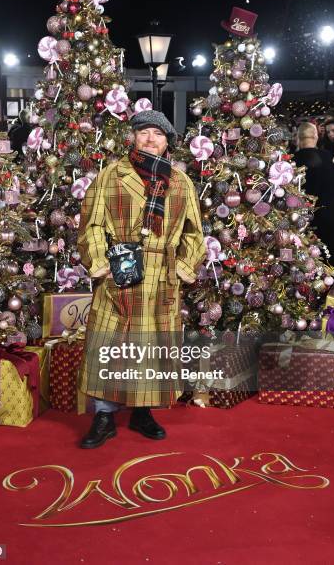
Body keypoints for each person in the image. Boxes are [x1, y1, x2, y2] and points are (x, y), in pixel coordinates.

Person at [77, 110, 205, 449]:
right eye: (144, 132)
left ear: (167, 143)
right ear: (132, 137)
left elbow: (194, 233)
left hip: (161, 278)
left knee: (153, 346)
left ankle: (143, 410)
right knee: (109, 343)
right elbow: (90, 224)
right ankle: (104, 416)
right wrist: (101, 263)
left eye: (158, 135)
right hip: (121, 272)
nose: (151, 139)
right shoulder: (109, 176)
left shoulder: (180, 182)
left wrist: (181, 268)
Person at [295, 122, 334, 265]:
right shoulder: (327, 157)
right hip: (329, 216)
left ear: (298, 138)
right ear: (316, 136)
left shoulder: (292, 161)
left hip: (302, 219)